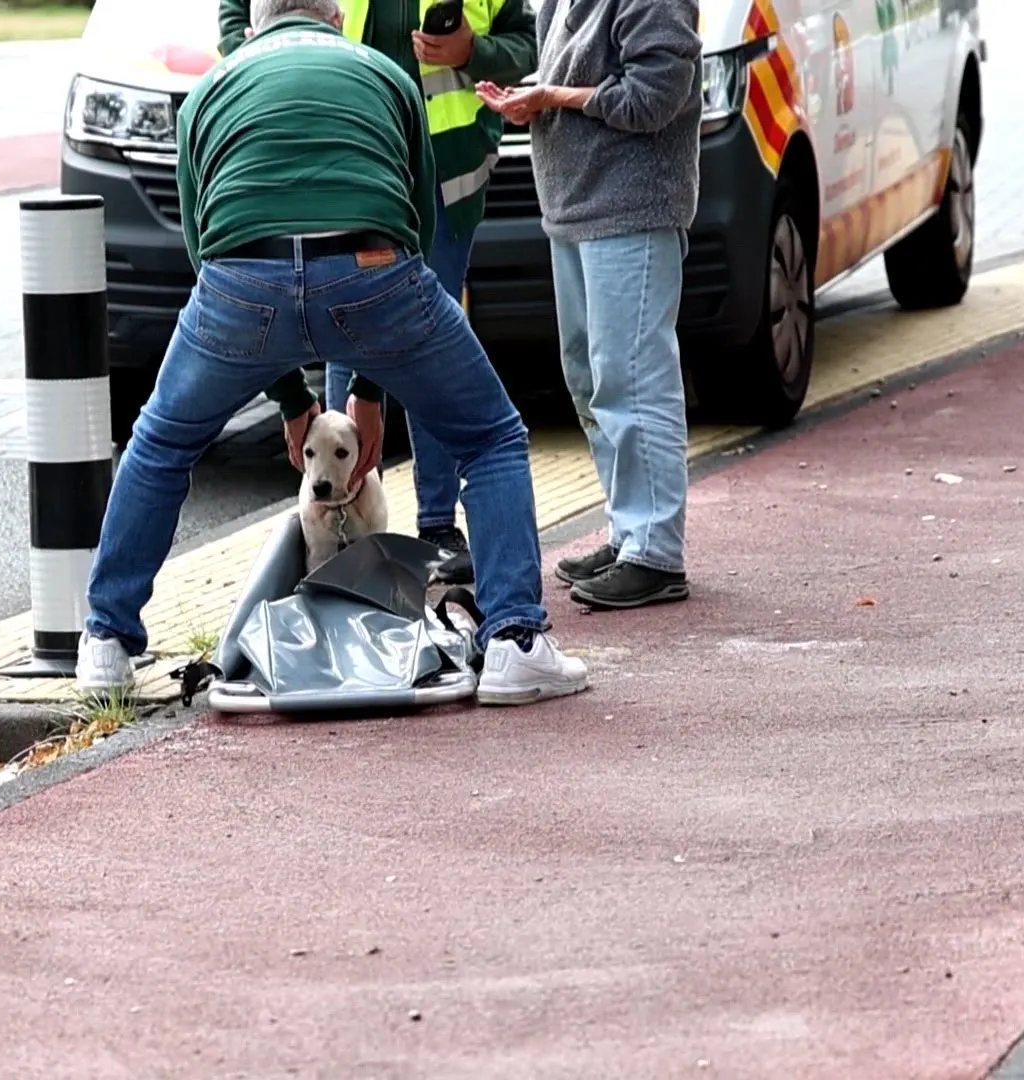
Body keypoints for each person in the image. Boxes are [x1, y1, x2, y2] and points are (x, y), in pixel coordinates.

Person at [76, 0, 587, 707]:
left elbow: (204, 244)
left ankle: (105, 641)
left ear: (255, 22)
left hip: (239, 282)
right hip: (373, 268)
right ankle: (514, 645)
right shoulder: (384, 73)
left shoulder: (212, 91)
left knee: (162, 442)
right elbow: (415, 223)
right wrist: (370, 390)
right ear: (335, 17)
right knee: (489, 435)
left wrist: (291, 400)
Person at [217, 0, 538, 587]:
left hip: (440, 179)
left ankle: (437, 526)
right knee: (351, 342)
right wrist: (260, 65)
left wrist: (475, 53)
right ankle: (345, 525)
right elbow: (238, 11)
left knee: (433, 360)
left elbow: (525, 41)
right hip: (343, 171)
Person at [476, 0, 701, 610]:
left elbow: (655, 96)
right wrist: (537, 94)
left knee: (631, 376)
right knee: (590, 376)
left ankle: (655, 551)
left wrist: (554, 97)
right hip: (576, 212)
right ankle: (630, 531)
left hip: (631, 211)